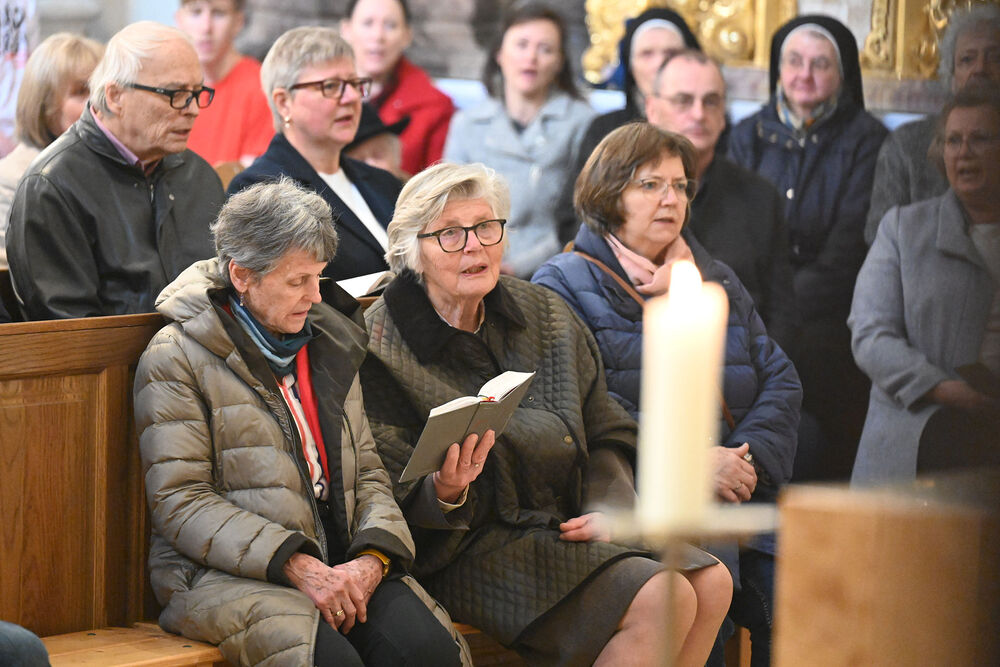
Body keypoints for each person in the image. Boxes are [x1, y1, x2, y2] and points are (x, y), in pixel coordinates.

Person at [360, 161, 733, 666]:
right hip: (466, 547)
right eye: (450, 234)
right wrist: (445, 492)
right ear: (413, 251)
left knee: (711, 581)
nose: (474, 246)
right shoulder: (379, 345)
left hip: (567, 523)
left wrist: (611, 508)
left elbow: (606, 426)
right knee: (661, 598)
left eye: (486, 227)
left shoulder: (544, 312)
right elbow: (377, 490)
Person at [134, 178, 469, 667]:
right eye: (297, 282)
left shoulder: (327, 339)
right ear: (242, 275)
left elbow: (368, 472)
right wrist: (294, 562)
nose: (315, 296)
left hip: (342, 557)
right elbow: (180, 501)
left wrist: (372, 561)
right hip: (227, 573)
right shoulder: (176, 356)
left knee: (429, 653)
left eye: (318, 277)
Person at [532, 123, 801, 667]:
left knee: (809, 591)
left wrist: (741, 461)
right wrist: (690, 464)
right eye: (650, 185)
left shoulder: (714, 277)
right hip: (639, 498)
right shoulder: (563, 283)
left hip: (736, 493)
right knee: (703, 585)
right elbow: (586, 407)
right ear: (608, 195)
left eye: (680, 186)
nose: (671, 199)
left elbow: (781, 378)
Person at [728, 15, 888, 482]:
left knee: (806, 368)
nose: (804, 75)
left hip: (826, 315)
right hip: (753, 305)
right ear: (778, 69)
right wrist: (757, 311)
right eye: (794, 61)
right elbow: (736, 237)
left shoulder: (869, 141)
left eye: (820, 64)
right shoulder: (746, 135)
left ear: (843, 74)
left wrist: (778, 315)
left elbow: (848, 254)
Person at [6, 21, 224, 321]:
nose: (192, 109)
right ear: (115, 96)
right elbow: (69, 328)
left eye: (196, 92)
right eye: (175, 93)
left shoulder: (199, 175)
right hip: (107, 352)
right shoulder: (51, 186)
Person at [850, 86, 1000, 485]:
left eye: (981, 138)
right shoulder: (903, 228)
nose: (964, 152)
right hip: (915, 429)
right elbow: (870, 335)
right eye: (953, 140)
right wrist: (946, 389)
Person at [645, 50, 797, 349]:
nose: (698, 114)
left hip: (744, 360)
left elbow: (783, 314)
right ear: (652, 108)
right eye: (683, 101)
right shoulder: (626, 192)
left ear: (724, 114)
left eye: (711, 101)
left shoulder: (760, 197)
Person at [228, 26, 401, 282]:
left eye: (354, 84)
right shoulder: (261, 189)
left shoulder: (383, 182)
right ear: (284, 102)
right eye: (331, 86)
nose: (351, 97)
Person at [443, 1, 595, 278]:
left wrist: (517, 267)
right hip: (472, 265)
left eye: (545, 49)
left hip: (555, 270)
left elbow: (581, 217)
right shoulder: (466, 124)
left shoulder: (583, 123)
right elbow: (447, 208)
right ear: (499, 53)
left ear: (560, 61)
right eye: (522, 45)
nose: (531, 57)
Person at [865, 5, 1000, 245]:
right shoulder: (906, 146)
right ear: (951, 76)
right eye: (967, 59)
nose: (980, 69)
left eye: (995, 57)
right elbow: (880, 240)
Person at [0, 32, 103, 270]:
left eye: (101, 90)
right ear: (44, 103)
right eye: (81, 91)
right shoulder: (9, 181)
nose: (96, 103)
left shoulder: (115, 170)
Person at [341, 0, 454, 174]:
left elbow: (439, 182)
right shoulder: (318, 94)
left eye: (390, 25)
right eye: (368, 23)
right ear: (346, 30)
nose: (378, 36)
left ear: (407, 35)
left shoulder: (436, 106)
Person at [175, 0, 274, 166]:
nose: (206, 27)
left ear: (238, 22)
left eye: (218, 13)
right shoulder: (166, 88)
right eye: (196, 12)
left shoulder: (261, 87)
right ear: (179, 19)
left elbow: (257, 175)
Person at [345, 102, 409, 181]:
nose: (371, 165)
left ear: (396, 157)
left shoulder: (416, 187)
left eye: (378, 156)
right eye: (360, 162)